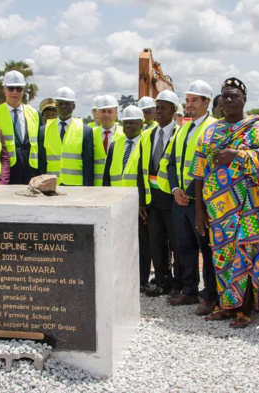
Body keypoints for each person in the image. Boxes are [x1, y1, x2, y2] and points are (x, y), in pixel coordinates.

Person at [193, 77, 259, 329]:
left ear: (245, 100)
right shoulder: (210, 131)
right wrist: (199, 210)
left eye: (235, 96)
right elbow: (199, 172)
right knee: (223, 257)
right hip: (219, 211)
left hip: (253, 208)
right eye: (225, 96)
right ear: (219, 102)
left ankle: (245, 309)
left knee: (249, 254)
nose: (229, 100)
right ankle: (226, 305)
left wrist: (238, 155)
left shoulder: (258, 128)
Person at [158, 80, 218, 315]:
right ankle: (190, 290)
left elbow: (209, 166)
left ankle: (211, 295)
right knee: (185, 248)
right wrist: (175, 190)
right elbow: (171, 162)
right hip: (180, 201)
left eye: (194, 100)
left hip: (200, 202)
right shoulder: (182, 128)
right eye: (187, 100)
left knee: (208, 249)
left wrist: (190, 192)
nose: (189, 104)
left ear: (206, 102)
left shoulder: (214, 128)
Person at [104, 105, 150, 292]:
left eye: (133, 123)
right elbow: (107, 176)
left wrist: (143, 203)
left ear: (141, 123)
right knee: (119, 243)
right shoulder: (116, 145)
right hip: (117, 203)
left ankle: (142, 280)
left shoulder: (146, 143)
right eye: (126, 123)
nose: (129, 126)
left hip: (137, 204)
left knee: (141, 244)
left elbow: (144, 174)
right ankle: (121, 277)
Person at [139, 90, 180, 297]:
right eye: (157, 107)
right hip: (152, 198)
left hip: (172, 198)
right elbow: (142, 168)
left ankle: (179, 283)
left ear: (174, 110)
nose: (159, 111)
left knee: (177, 241)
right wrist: (141, 201)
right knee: (156, 243)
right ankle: (162, 281)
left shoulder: (180, 133)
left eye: (164, 107)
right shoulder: (148, 135)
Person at [0, 70, 40, 185]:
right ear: (4, 90)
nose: (15, 92)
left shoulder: (35, 114)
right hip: (7, 173)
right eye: (11, 88)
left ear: (23, 91)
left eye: (19, 88)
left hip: (31, 172)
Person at [38, 87, 96, 186]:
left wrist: (87, 189)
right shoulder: (44, 130)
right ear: (56, 106)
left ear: (73, 106)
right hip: (51, 185)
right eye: (60, 103)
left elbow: (88, 166)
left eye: (67, 104)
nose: (63, 106)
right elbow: (42, 163)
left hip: (76, 186)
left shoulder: (85, 130)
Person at [93, 95, 123, 186]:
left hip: (117, 186)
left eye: (110, 111)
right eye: (103, 111)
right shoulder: (91, 134)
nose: (106, 115)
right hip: (95, 187)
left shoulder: (124, 134)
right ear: (98, 113)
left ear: (116, 113)